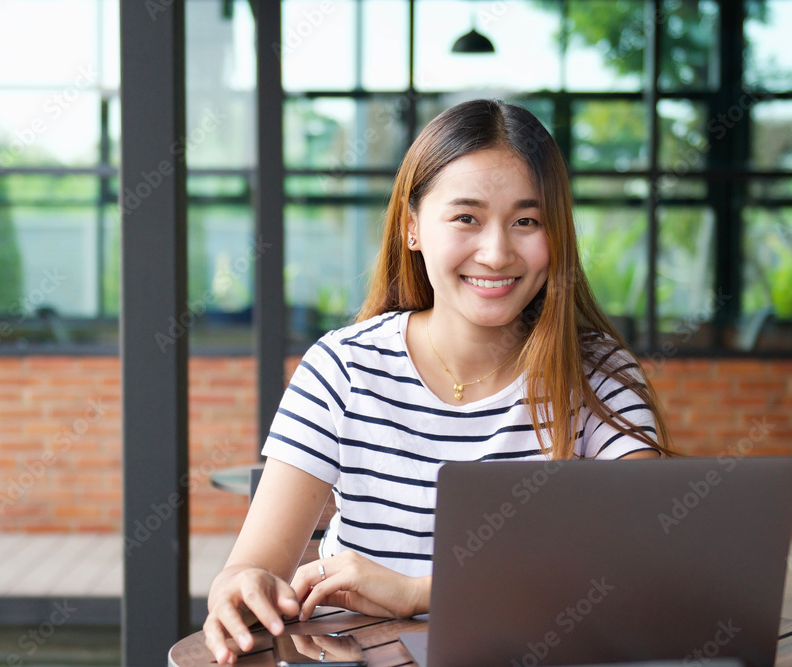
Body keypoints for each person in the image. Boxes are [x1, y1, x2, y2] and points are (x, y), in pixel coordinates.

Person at [203, 98, 674, 664]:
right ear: (412, 228)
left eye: (527, 221)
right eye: (466, 218)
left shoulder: (596, 377)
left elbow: (652, 565)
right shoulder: (342, 368)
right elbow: (253, 565)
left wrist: (420, 594)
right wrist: (238, 586)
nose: (497, 252)